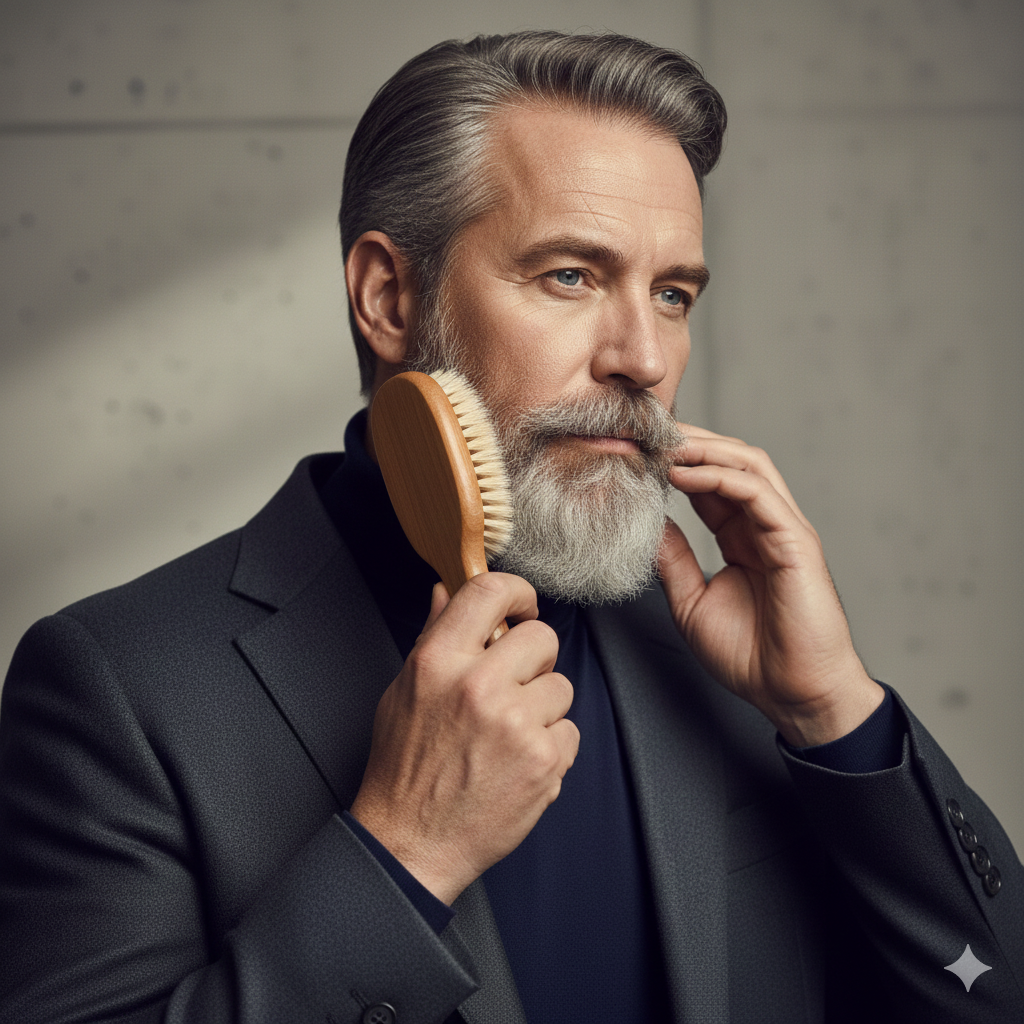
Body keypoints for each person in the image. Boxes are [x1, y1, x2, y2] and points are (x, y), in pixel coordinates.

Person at [0, 30, 1020, 1024]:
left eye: (671, 294)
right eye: (570, 275)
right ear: (389, 296)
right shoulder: (120, 688)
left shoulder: (733, 655)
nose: (643, 357)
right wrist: (402, 857)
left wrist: (838, 716)